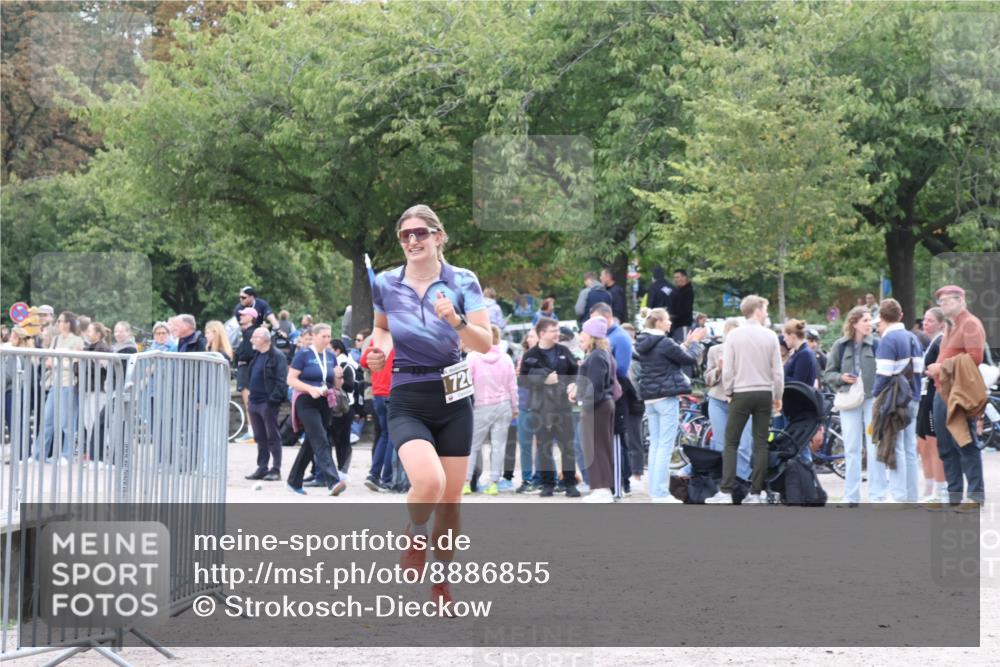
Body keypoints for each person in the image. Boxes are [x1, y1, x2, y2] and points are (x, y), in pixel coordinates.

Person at [366, 204, 491, 611]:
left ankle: (441, 582)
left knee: (451, 500)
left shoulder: (462, 281)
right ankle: (415, 531)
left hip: (454, 394)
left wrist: (455, 321)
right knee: (430, 482)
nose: (413, 241)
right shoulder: (386, 282)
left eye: (421, 233)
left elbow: (484, 343)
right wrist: (378, 353)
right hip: (408, 393)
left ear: (439, 236)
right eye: (405, 236)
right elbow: (382, 329)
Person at [708, 296, 783, 504]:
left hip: (741, 392)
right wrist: (778, 396)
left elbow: (729, 369)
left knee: (730, 442)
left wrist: (730, 392)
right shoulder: (770, 336)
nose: (767, 313)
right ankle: (756, 493)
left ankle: (726, 490)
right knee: (760, 444)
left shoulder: (734, 336)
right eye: (765, 309)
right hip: (764, 392)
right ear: (758, 310)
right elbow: (777, 371)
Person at [635, 308, 706, 503]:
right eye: (667, 320)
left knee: (656, 445)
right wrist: (696, 343)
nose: (670, 323)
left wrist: (687, 343)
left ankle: (654, 492)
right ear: (658, 323)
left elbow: (671, 355)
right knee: (665, 446)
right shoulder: (664, 342)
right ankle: (660, 493)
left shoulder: (644, 342)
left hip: (651, 398)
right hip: (666, 398)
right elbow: (689, 360)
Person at [925, 285, 987, 507]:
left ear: (961, 300)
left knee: (964, 442)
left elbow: (974, 358)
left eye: (946, 301)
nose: (942, 305)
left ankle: (975, 495)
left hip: (958, 392)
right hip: (943, 391)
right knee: (946, 446)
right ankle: (953, 496)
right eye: (940, 302)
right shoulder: (950, 326)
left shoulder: (970, 323)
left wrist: (941, 367)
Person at [823, 306, 882, 505]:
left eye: (869, 320)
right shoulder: (840, 346)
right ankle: (851, 497)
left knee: (874, 447)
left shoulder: (876, 344)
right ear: (854, 323)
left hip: (871, 400)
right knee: (851, 448)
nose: (869, 324)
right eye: (865, 320)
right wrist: (841, 377)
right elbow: (828, 374)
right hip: (849, 401)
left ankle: (876, 496)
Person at [519, 317, 579, 498]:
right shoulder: (530, 355)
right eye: (554, 331)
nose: (557, 334)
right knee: (544, 447)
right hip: (540, 408)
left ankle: (569, 483)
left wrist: (572, 386)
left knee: (567, 446)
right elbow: (522, 380)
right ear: (542, 333)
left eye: (558, 330)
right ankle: (547, 484)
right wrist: (543, 379)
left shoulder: (564, 351)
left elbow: (575, 372)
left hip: (562, 406)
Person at [871, 298, 923, 503]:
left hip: (895, 400)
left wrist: (876, 395)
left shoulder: (888, 340)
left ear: (882, 318)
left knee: (896, 445)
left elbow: (883, 374)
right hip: (914, 396)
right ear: (900, 316)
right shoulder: (913, 338)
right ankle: (911, 496)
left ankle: (899, 496)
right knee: (910, 448)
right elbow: (919, 370)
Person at [286, 323, 347, 496]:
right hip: (305, 400)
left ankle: (293, 481)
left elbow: (336, 385)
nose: (327, 340)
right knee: (320, 437)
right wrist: (309, 389)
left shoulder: (330, 356)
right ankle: (333, 481)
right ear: (314, 336)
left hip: (324, 399)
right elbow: (290, 379)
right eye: (324, 336)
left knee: (312, 441)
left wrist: (339, 375)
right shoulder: (303, 355)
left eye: (329, 336)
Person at [464, 325, 518, 496]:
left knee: (472, 446)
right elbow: (512, 386)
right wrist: (515, 407)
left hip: (481, 405)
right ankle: (494, 482)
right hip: (503, 405)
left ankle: (466, 482)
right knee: (498, 446)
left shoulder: (472, 357)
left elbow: (466, 383)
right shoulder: (506, 358)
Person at [590, 302, 638, 497]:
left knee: (617, 440)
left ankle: (621, 483)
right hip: (608, 392)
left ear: (607, 318)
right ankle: (610, 480)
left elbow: (620, 369)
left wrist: (598, 370)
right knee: (607, 440)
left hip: (617, 394)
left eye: (595, 319)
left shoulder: (620, 338)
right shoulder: (608, 338)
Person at [702, 318, 755, 482]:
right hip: (718, 400)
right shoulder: (714, 350)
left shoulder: (751, 351)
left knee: (744, 444)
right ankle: (724, 482)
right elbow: (707, 379)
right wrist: (718, 369)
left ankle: (742, 481)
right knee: (721, 444)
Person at [571, 316, 616, 503]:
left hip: (597, 406)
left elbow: (595, 386)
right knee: (598, 447)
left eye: (584, 332)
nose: (581, 335)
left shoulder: (597, 356)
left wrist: (580, 398)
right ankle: (601, 487)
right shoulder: (599, 354)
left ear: (592, 336)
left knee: (596, 448)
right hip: (600, 404)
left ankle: (602, 488)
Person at [38, 311, 85, 461]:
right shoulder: (56, 339)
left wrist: (57, 362)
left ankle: (66, 455)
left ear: (67, 323)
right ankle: (39, 455)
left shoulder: (77, 340)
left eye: (60, 321)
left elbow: (76, 362)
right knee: (47, 421)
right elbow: (50, 360)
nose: (58, 323)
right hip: (54, 384)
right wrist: (55, 362)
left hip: (69, 385)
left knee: (67, 423)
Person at [244, 327, 288, 482]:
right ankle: (262, 467)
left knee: (273, 436)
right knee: (259, 436)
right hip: (254, 402)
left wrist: (272, 401)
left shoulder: (277, 356)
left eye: (254, 337)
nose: (251, 340)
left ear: (264, 338)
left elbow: (281, 381)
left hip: (267, 403)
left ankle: (276, 469)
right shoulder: (257, 355)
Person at [916, 307, 947, 502]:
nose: (925, 324)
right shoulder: (930, 342)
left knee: (934, 443)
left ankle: (940, 487)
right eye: (924, 320)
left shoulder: (941, 340)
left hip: (934, 394)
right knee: (922, 444)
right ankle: (928, 486)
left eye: (930, 321)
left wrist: (926, 371)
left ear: (941, 323)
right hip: (924, 395)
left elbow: (940, 368)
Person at [361, 341, 396, 492]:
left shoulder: (378, 340)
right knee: (392, 437)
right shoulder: (400, 338)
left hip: (378, 394)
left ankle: (373, 474)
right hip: (392, 392)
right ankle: (386, 478)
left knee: (383, 435)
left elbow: (363, 361)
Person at [514, 327, 540, 493]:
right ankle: (527, 479)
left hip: (540, 406)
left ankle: (541, 477)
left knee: (542, 446)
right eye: (528, 336)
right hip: (524, 404)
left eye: (533, 336)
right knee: (524, 445)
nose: (529, 338)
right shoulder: (521, 357)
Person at [329, 339, 358, 477]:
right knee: (333, 439)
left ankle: (342, 471)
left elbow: (350, 386)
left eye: (330, 349)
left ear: (337, 350)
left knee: (342, 440)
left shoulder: (346, 365)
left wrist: (338, 380)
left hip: (344, 407)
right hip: (332, 406)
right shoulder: (330, 363)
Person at [234, 307, 260, 442]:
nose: (241, 317)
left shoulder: (251, 333)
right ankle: (253, 431)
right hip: (247, 369)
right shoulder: (247, 332)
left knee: (249, 401)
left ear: (251, 317)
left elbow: (249, 352)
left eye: (243, 315)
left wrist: (240, 358)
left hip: (247, 369)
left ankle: (252, 432)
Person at [668, 269, 694, 343]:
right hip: (675, 325)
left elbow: (685, 310)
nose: (676, 280)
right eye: (675, 277)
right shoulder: (676, 291)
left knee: (684, 345)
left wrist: (674, 316)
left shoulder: (688, 291)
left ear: (684, 277)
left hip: (683, 325)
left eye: (678, 277)